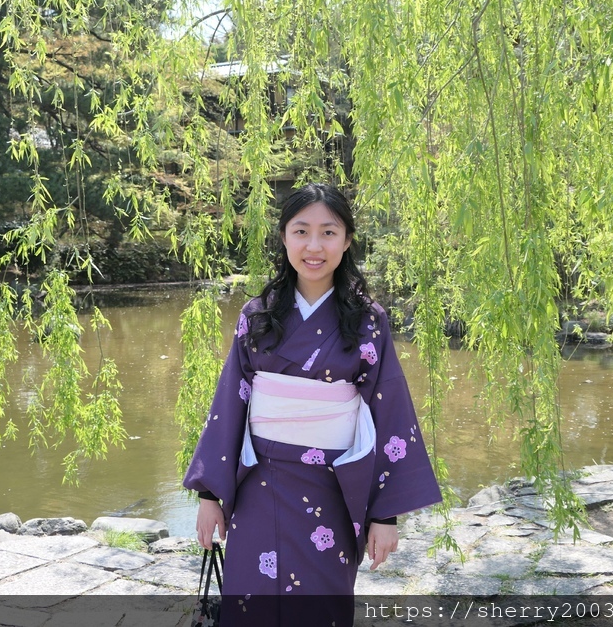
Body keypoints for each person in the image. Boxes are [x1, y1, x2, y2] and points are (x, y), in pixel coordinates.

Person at [183, 183, 442, 626]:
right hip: (259, 485)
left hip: (334, 488)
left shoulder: (368, 320)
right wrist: (210, 494)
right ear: (284, 238)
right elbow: (230, 403)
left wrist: (385, 514)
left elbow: (390, 412)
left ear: (347, 240)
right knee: (251, 603)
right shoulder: (257, 315)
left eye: (329, 232)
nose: (314, 246)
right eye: (301, 232)